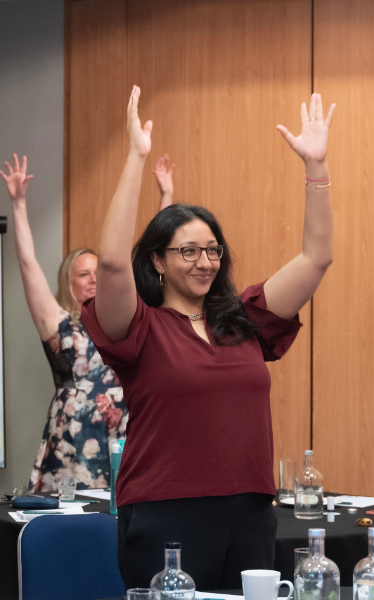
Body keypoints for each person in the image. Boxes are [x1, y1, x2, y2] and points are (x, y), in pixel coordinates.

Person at [81, 85, 335, 589]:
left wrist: (317, 167)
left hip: (250, 511)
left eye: (213, 250)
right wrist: (135, 157)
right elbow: (110, 262)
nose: (205, 261)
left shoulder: (242, 319)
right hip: (164, 513)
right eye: (188, 251)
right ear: (157, 260)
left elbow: (317, 257)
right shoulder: (139, 326)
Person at [1, 155, 127, 491]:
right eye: (84, 274)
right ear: (68, 282)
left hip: (122, 434)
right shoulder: (57, 322)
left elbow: (157, 275)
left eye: (98, 272)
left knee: (125, 516)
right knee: (72, 518)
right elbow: (27, 263)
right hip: (74, 440)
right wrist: (19, 202)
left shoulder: (123, 324)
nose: (93, 279)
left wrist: (166, 196)